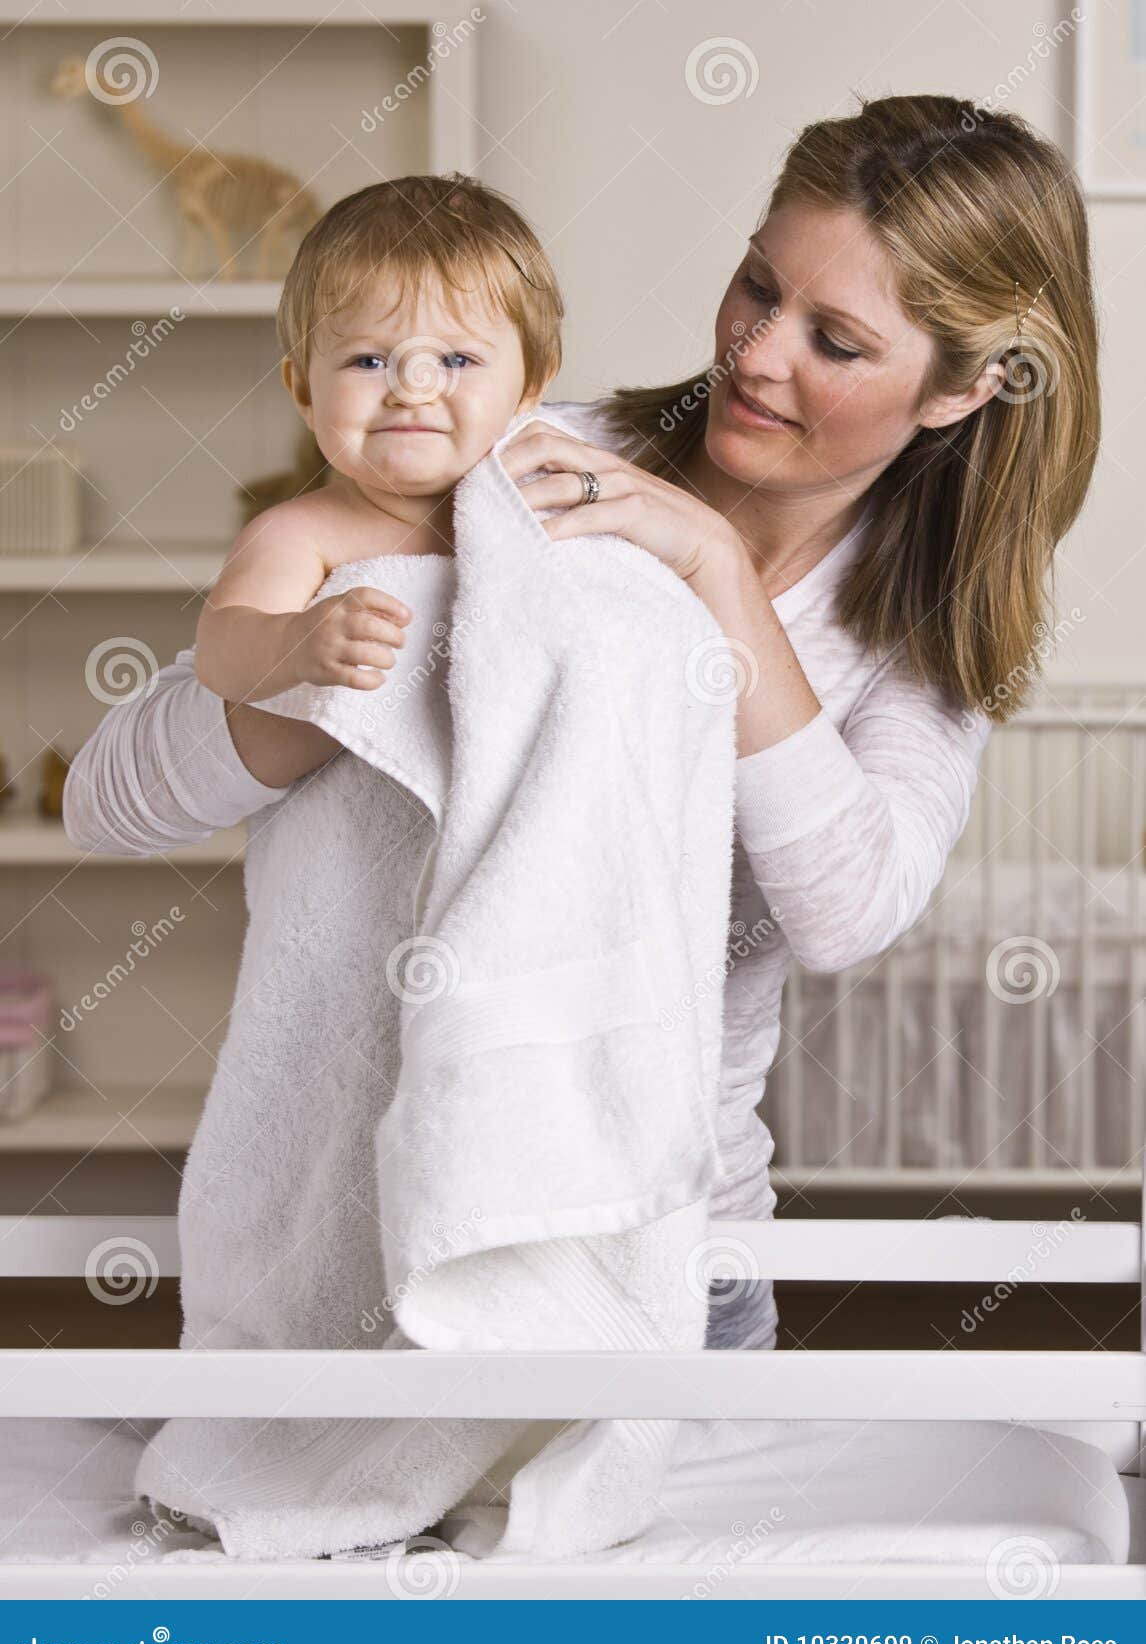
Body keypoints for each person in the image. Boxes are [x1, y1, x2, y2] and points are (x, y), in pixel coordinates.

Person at [64, 94, 1101, 1366]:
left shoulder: (915, 638)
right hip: (375, 1225)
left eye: (833, 339)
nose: (758, 354)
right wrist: (347, 678)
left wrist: (715, 572)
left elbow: (844, 910)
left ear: (961, 390)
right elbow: (107, 799)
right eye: (755, 288)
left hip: (664, 1250)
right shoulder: (506, 464)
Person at [192, 173, 561, 706]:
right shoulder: (301, 536)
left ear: (531, 382)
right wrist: (294, 643)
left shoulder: (551, 506)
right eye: (369, 361)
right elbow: (219, 652)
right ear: (303, 391)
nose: (413, 390)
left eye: (457, 359)